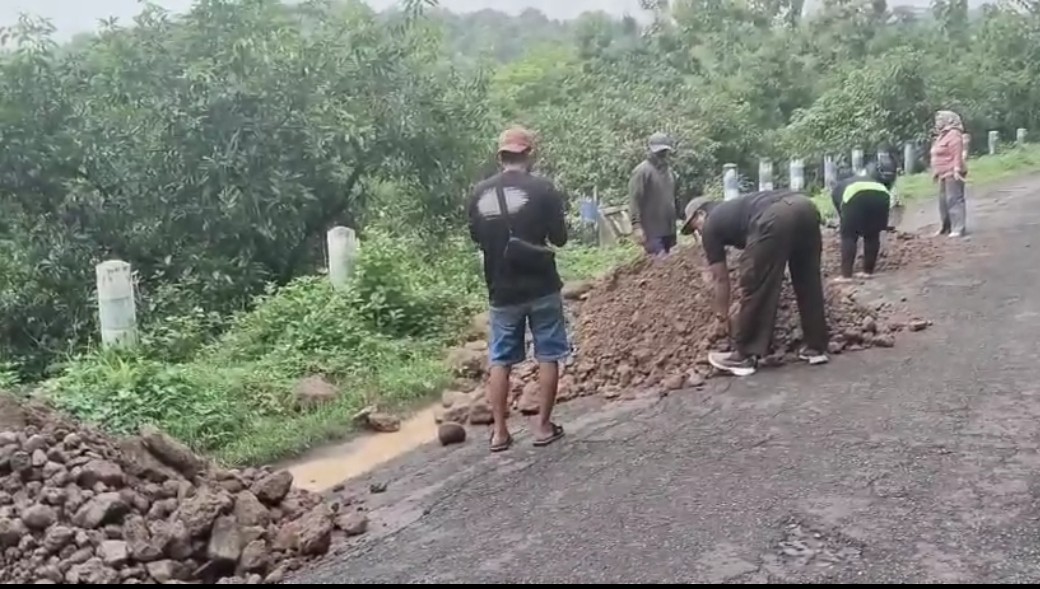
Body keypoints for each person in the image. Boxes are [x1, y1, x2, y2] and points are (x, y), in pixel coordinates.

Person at [467, 126, 570, 452]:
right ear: (529, 154)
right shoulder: (544, 189)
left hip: (501, 289)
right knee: (548, 354)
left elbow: (476, 238)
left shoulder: (478, 193)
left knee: (500, 359)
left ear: (500, 157)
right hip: (541, 285)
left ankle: (499, 433)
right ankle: (542, 427)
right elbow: (560, 239)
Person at [680, 190, 829, 377]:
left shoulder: (711, 224)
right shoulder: (737, 209)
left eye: (695, 227)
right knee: (807, 278)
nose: (698, 233)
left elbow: (720, 278)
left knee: (755, 282)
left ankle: (744, 355)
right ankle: (816, 347)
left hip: (776, 215)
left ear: (701, 214)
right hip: (806, 207)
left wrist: (721, 317)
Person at [829, 160, 896, 283]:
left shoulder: (838, 188)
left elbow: (841, 211)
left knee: (849, 236)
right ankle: (867, 272)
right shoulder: (865, 179)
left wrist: (846, 225)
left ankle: (846, 275)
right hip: (882, 193)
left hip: (855, 195)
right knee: (872, 235)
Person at [629, 132, 682, 257]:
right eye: (658, 152)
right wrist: (636, 226)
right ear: (651, 151)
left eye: (664, 151)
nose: (661, 155)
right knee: (660, 264)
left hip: (669, 228)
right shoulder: (642, 172)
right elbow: (635, 200)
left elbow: (675, 198)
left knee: (671, 265)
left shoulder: (670, 172)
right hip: (652, 230)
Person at [929, 110, 968, 237]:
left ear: (949, 120)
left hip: (952, 172)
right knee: (943, 201)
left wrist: (956, 169)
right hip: (943, 173)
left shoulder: (954, 134)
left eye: (940, 120)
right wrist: (936, 172)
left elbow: (957, 153)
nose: (937, 123)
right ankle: (946, 227)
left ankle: (958, 228)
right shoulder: (942, 135)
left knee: (954, 199)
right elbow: (937, 154)